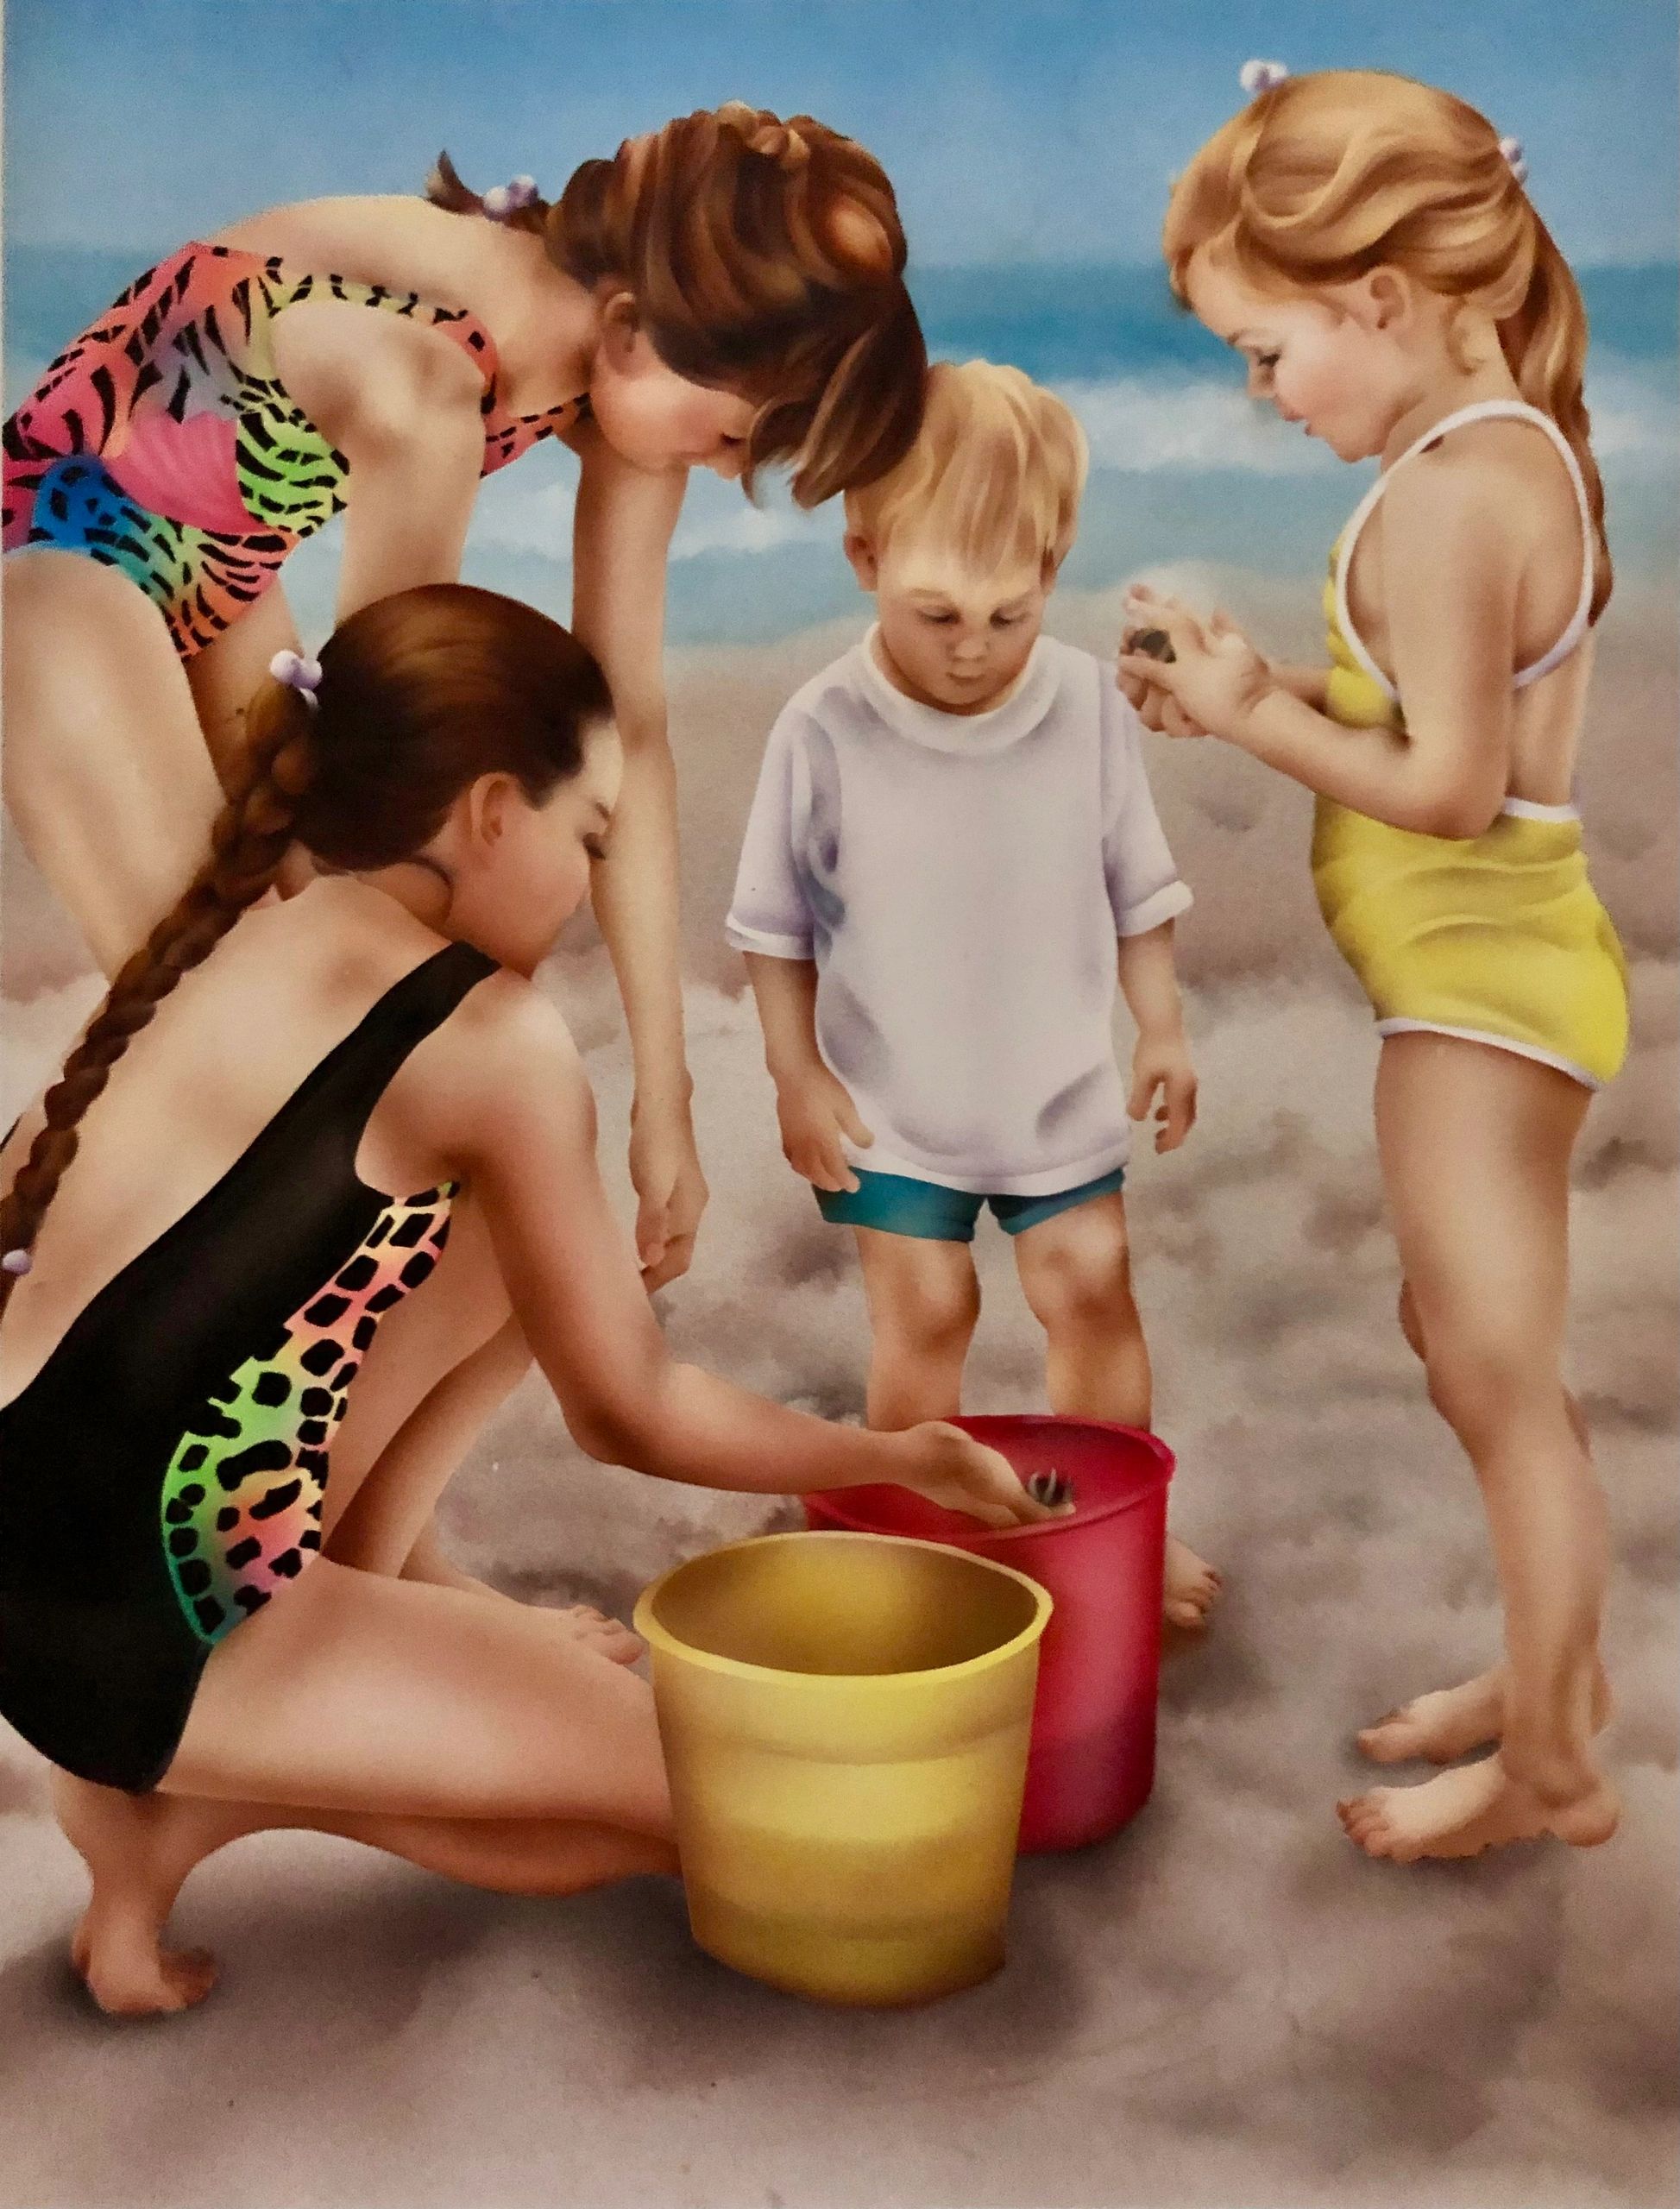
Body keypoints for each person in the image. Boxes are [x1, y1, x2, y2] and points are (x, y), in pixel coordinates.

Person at [0, 582, 1043, 2020]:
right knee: (730, 1809)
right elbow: (628, 1411)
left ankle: (265, 1726)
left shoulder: (247, 932)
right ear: (492, 811)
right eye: (590, 840)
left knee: (511, 1237)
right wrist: (889, 1457)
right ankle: (168, 1807)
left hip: (41, 1552)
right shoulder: (486, 1043)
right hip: (153, 1626)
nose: (589, 884)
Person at [2, 100, 928, 1300]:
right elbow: (380, 788)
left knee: (313, 1052)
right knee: (223, 1045)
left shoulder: (622, 387)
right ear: (637, 330)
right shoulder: (429, 390)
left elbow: (627, 735)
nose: (736, 471)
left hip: (219, 581)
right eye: (742, 434)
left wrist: (667, 1086)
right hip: (57, 574)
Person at [1117, 66, 1627, 1861]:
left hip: (1477, 1004)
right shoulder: (1486, 454)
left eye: (1265, 354)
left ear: (1382, 302)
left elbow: (1444, 786)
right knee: (1474, 1344)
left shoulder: (1449, 498)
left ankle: (1554, 1764)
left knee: (1491, 1375)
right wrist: (1251, 693)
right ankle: (1547, 1675)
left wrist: (1251, 710)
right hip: (1501, 985)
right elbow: (1420, 713)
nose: (1257, 397)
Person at [727, 361, 1221, 1629]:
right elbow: (774, 930)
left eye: (1007, 614)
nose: (971, 648)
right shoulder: (822, 727)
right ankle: (919, 1534)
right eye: (935, 612)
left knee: (1091, 1286)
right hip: (892, 1108)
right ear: (862, 554)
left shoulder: (1086, 712)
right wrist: (795, 1074)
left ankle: (1121, 1534)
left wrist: (1159, 1025)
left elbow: (1135, 887)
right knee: (927, 1312)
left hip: (1053, 1092)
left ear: (1053, 570)